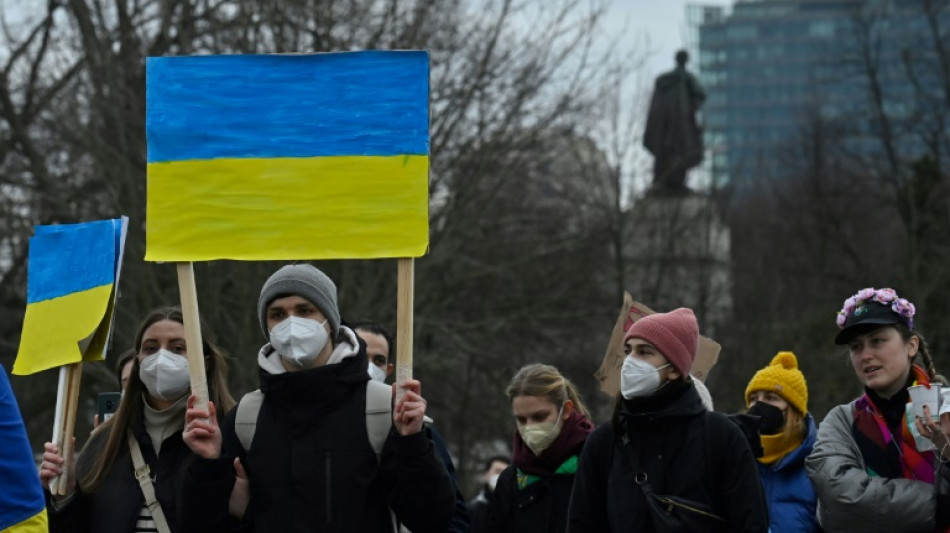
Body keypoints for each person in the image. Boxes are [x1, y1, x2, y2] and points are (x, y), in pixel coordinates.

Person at [181, 263, 455, 532]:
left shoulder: (383, 408)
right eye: (277, 314)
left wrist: (413, 444)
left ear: (330, 320)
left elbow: (432, 518)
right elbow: (201, 525)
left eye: (304, 310)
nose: (291, 322)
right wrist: (209, 466)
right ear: (266, 327)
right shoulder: (246, 417)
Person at [568, 307, 769, 532]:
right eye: (628, 351)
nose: (630, 361)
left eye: (644, 352)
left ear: (674, 368)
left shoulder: (721, 437)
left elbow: (751, 524)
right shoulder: (604, 442)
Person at [38, 306, 235, 533]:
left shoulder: (230, 432)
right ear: (138, 359)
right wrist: (66, 495)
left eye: (177, 348)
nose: (161, 357)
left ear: (205, 361)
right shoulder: (105, 440)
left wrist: (210, 465)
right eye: (150, 348)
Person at [806, 287, 950, 531]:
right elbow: (842, 502)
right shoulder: (841, 422)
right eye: (856, 347)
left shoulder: (946, 408)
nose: (865, 355)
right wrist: (940, 506)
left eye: (877, 341)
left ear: (911, 346)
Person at [351, 318, 470, 533]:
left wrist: (413, 442)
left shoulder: (416, 429)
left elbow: (453, 517)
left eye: (378, 360)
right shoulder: (322, 421)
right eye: (361, 355)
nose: (368, 366)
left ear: (388, 370)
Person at [488, 363, 594, 533]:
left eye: (540, 416)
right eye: (521, 420)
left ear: (566, 410)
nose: (529, 427)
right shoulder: (511, 480)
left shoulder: (595, 464)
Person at [745, 351, 819, 533]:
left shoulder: (819, 470)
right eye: (754, 399)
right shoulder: (738, 463)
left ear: (794, 411)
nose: (758, 406)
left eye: (771, 398)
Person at [643, 50, 706, 193]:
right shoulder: (686, 77)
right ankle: (676, 182)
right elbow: (701, 93)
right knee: (682, 151)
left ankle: (661, 181)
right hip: (682, 125)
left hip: (664, 126)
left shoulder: (664, 80)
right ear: (686, 61)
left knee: (665, 151)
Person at [468, 455, 510, 533]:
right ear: (486, 475)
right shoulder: (472, 509)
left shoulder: (514, 509)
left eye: (505, 472)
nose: (500, 476)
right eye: (497, 471)